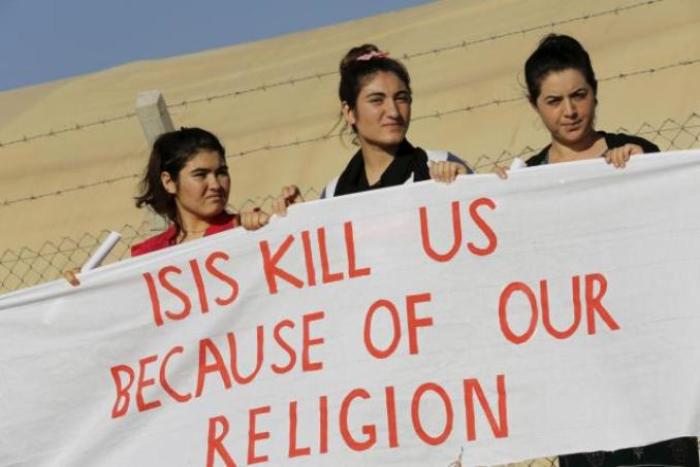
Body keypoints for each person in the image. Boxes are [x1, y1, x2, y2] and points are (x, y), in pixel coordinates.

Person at [503, 33, 698, 467]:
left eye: (579, 95)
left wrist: (643, 169)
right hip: (578, 378)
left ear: (595, 90)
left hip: (649, 368)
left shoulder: (635, 156)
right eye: (553, 101)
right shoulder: (526, 180)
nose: (569, 111)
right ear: (535, 105)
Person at [320, 44, 472, 199]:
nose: (393, 112)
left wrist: (468, 188)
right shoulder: (333, 194)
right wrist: (297, 215)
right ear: (349, 112)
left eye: (401, 98)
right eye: (376, 100)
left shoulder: (444, 166)